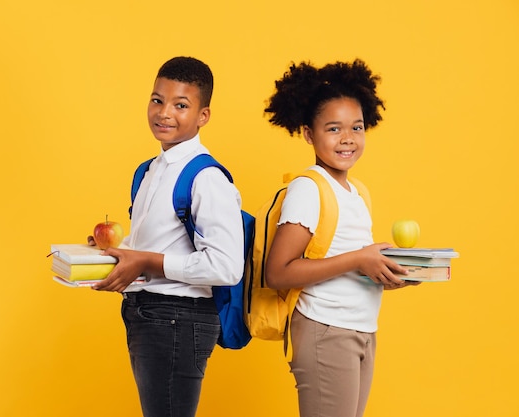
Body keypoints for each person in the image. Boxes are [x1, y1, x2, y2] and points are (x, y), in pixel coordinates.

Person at [89, 56, 245, 417]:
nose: (164, 113)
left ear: (203, 116)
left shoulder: (207, 178)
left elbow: (226, 266)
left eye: (181, 105)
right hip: (148, 313)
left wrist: (145, 261)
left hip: (179, 318)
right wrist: (115, 252)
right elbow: (152, 246)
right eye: (157, 100)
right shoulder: (148, 170)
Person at [263, 59, 418, 417]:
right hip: (326, 329)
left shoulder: (356, 191)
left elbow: (349, 260)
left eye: (357, 127)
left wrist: (385, 272)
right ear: (307, 134)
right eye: (334, 129)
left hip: (361, 328)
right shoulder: (308, 187)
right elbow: (279, 272)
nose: (347, 138)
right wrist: (359, 259)